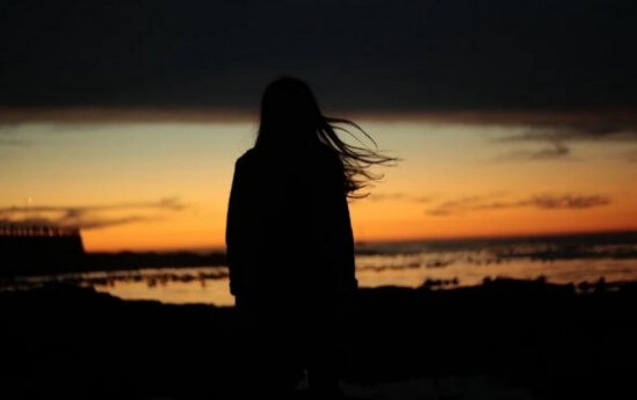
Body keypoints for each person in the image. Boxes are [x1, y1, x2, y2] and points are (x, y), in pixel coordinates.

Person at [225, 77, 395, 398]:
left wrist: (241, 289)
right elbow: (340, 233)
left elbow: (237, 234)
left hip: (269, 293)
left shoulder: (250, 166)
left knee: (276, 382)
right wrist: (347, 285)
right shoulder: (322, 162)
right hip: (317, 291)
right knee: (322, 381)